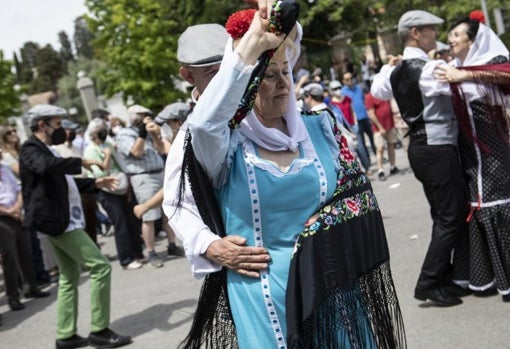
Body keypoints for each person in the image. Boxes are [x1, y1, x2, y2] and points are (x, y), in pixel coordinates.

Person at [170, 4, 405, 348]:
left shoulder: (320, 128)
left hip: (333, 286)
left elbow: (354, 201)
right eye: (268, 75)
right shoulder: (224, 144)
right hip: (266, 292)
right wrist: (251, 41)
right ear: (246, 82)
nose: (283, 85)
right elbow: (204, 127)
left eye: (286, 72)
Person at [371, 10, 468, 307]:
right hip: (437, 146)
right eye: (429, 30)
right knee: (451, 215)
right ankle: (429, 280)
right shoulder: (429, 67)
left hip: (420, 146)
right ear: (415, 32)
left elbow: (378, 90)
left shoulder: (395, 69)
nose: (435, 35)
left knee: (442, 213)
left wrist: (392, 66)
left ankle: (445, 275)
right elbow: (457, 89)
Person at [20, 104, 132, 349]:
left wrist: (96, 183)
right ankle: (100, 331)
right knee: (101, 267)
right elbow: (47, 167)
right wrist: (80, 160)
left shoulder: (46, 149)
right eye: (58, 124)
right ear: (42, 124)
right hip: (57, 222)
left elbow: (64, 183)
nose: (63, 130)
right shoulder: (30, 148)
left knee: (69, 277)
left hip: (62, 219)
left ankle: (65, 334)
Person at [432, 19, 510, 302]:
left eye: (457, 34)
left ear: (472, 40)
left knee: (496, 199)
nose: (451, 39)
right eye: (450, 34)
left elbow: (506, 75)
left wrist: (463, 76)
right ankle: (485, 276)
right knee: (477, 202)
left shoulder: (493, 61)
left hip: (496, 147)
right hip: (468, 150)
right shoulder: (452, 68)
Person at [84, 119, 144, 270]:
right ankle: (126, 258)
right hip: (107, 191)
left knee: (132, 220)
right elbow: (100, 174)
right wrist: (108, 156)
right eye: (100, 130)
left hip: (122, 186)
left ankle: (137, 253)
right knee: (120, 222)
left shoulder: (108, 145)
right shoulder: (91, 150)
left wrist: (128, 187)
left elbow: (122, 165)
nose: (103, 131)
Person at [0, 150, 50, 311]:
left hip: (17, 214)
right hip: (3, 218)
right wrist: (9, 212)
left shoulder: (5, 168)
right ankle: (13, 296)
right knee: (9, 257)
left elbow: (19, 189)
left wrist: (18, 208)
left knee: (25, 251)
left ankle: (31, 287)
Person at [341, 71, 376, 168]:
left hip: (365, 117)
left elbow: (364, 101)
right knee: (361, 143)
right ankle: (367, 164)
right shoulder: (343, 92)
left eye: (351, 78)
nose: (350, 80)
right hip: (355, 121)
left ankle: (378, 156)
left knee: (373, 138)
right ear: (343, 81)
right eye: (347, 79)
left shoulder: (359, 88)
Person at [364, 91, 399, 181]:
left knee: (391, 145)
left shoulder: (385, 93)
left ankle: (393, 166)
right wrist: (380, 127)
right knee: (380, 149)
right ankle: (380, 170)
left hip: (390, 124)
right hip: (379, 128)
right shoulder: (369, 96)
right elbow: (371, 114)